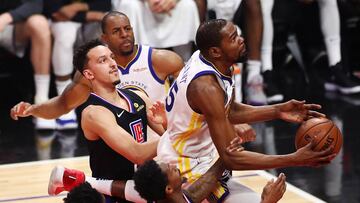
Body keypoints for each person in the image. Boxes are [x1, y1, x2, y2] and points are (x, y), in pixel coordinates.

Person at [156, 19, 336, 202]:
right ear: (215, 51)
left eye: (238, 34)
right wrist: (294, 159)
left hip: (200, 153)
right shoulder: (206, 87)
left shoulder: (215, 61)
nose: (241, 39)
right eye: (234, 38)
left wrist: (277, 110)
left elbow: (229, 109)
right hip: (186, 164)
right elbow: (231, 158)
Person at [10, 11, 183, 123]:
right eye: (116, 31)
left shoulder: (161, 60)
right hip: (122, 146)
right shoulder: (92, 72)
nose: (125, 35)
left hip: (160, 139)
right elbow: (63, 105)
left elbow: (191, 99)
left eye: (127, 29)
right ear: (105, 38)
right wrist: (32, 109)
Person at [53, 39, 165, 202]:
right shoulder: (93, 113)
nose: (113, 63)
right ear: (89, 74)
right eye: (103, 60)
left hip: (140, 188)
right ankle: (83, 181)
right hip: (112, 196)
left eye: (112, 57)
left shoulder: (138, 96)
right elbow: (138, 154)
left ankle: (76, 179)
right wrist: (175, 132)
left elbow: (174, 140)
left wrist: (169, 126)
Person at [42, 0, 111, 129]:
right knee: (65, 36)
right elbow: (55, 11)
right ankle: (64, 103)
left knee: (107, 24)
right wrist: (89, 14)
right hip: (62, 21)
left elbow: (105, 5)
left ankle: (106, 98)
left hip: (90, 19)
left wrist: (77, 7)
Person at [0, 0, 52, 129]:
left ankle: (41, 101)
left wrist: (6, 17)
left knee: (39, 23)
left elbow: (35, 5)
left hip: (11, 26)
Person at [133, 159, 287, 203]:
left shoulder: (183, 197)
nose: (174, 166)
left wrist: (229, 149)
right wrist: (268, 201)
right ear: (168, 189)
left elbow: (213, 173)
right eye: (170, 169)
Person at [112, 0, 203, 61]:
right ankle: (136, 60)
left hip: (169, 3)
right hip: (140, 3)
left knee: (188, 5)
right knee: (129, 5)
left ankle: (185, 62)